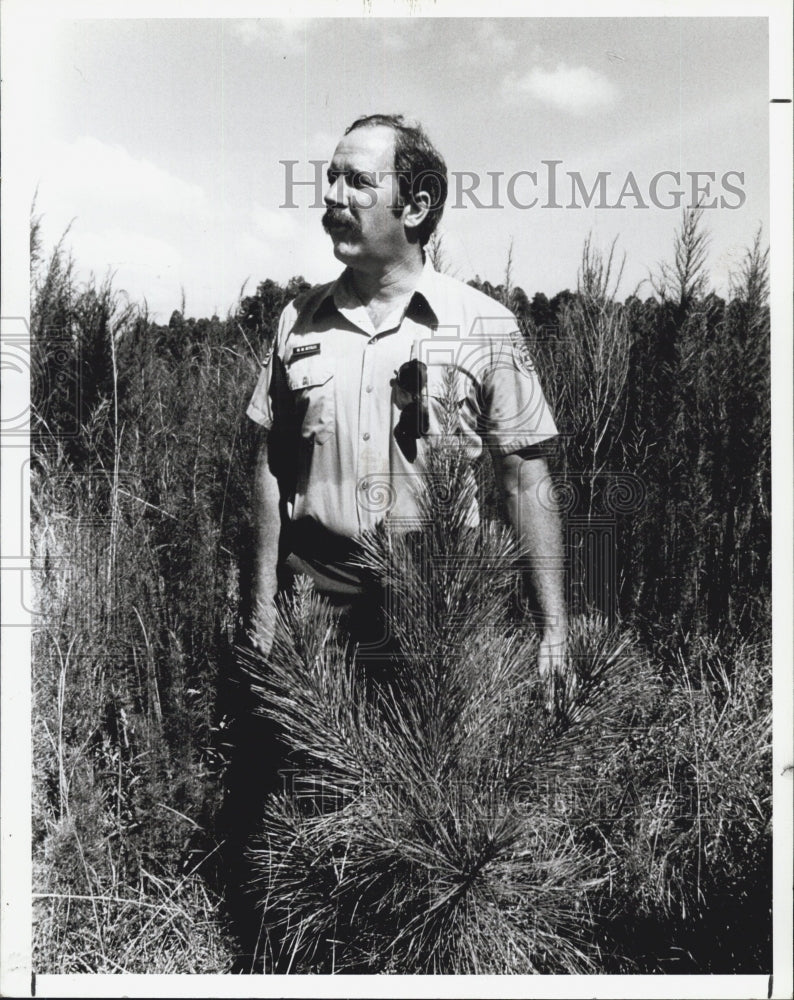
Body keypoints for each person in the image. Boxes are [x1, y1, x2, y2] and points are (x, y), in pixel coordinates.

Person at [247, 113, 567, 677]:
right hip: (316, 598)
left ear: (415, 208)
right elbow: (272, 466)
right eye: (331, 178)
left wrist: (553, 630)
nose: (332, 196)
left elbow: (523, 480)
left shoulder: (486, 326)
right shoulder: (297, 320)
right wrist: (262, 605)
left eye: (357, 182)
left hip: (438, 602)